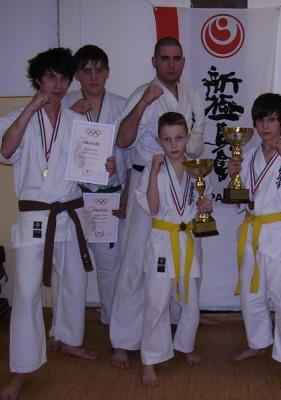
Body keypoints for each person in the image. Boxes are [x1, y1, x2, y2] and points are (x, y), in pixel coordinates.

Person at [0, 48, 113, 400]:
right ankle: (22, 368)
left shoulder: (77, 123)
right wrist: (31, 108)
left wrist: (104, 168)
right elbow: (4, 152)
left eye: (63, 78)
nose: (58, 85)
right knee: (28, 292)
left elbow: (87, 170)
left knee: (74, 281)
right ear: (37, 80)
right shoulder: (16, 117)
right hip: (35, 217)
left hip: (70, 213)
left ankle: (69, 338)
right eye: (50, 77)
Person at [110, 37, 206, 368]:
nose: (171, 64)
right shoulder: (143, 93)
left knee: (184, 264)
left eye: (177, 58)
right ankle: (124, 340)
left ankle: (179, 337)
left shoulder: (191, 95)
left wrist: (184, 150)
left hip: (183, 182)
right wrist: (142, 104)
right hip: (148, 181)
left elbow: (198, 140)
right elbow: (122, 140)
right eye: (164, 58)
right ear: (154, 61)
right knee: (135, 264)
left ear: (183, 61)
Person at [228, 93, 281, 389]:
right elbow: (242, 200)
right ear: (254, 123)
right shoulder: (248, 155)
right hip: (252, 231)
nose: (266, 126)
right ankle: (258, 342)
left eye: (272, 119)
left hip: (280, 233)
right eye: (261, 120)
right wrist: (234, 177)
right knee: (251, 296)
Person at [136, 112, 211, 386]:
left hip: (188, 239)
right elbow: (153, 207)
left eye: (179, 138)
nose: (174, 144)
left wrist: (205, 207)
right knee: (157, 301)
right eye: (167, 139)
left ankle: (186, 346)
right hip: (162, 240)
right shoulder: (152, 169)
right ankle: (149, 359)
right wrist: (155, 171)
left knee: (191, 299)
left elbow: (202, 204)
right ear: (159, 141)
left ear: (187, 138)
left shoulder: (197, 168)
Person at [57, 44, 129, 328]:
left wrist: (118, 170)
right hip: (72, 198)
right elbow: (52, 147)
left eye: (99, 70)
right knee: (68, 268)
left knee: (110, 267)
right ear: (77, 75)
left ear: (108, 72)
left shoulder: (122, 106)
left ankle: (113, 325)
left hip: (108, 198)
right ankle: (62, 330)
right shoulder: (64, 104)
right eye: (86, 71)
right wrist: (69, 115)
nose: (94, 76)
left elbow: (130, 152)